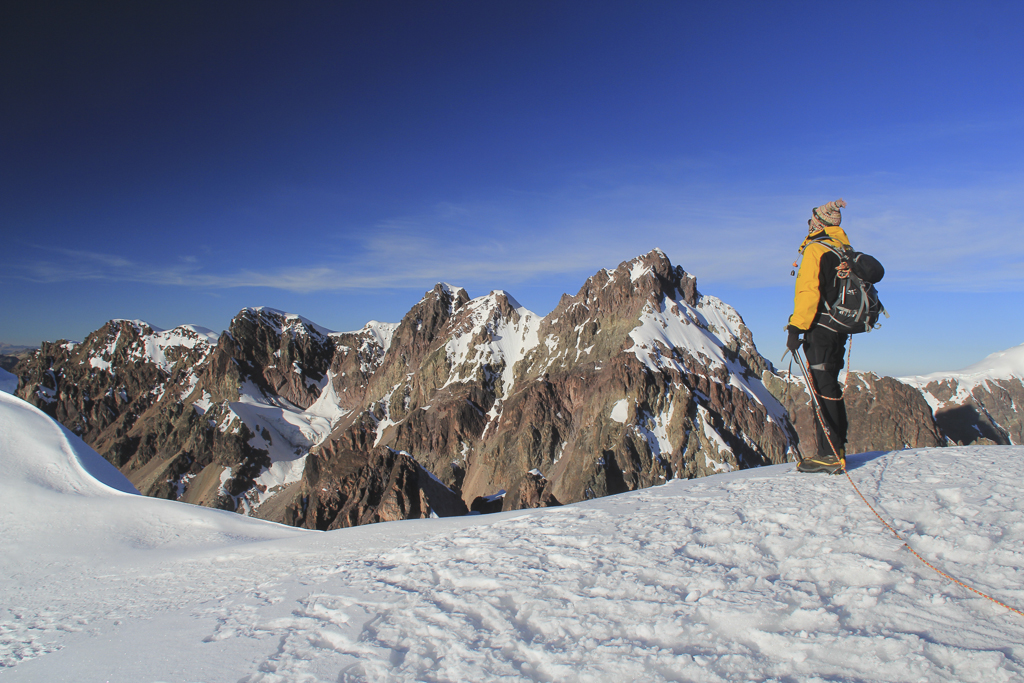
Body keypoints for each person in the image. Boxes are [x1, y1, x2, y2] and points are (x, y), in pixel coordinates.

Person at [786, 199, 851, 474]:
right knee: (830, 386)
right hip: (839, 329)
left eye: (812, 220)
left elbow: (808, 292)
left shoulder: (816, 249)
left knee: (822, 387)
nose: (809, 224)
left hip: (820, 329)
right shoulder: (843, 250)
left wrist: (795, 327)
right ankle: (833, 449)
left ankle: (831, 454)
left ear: (818, 223)